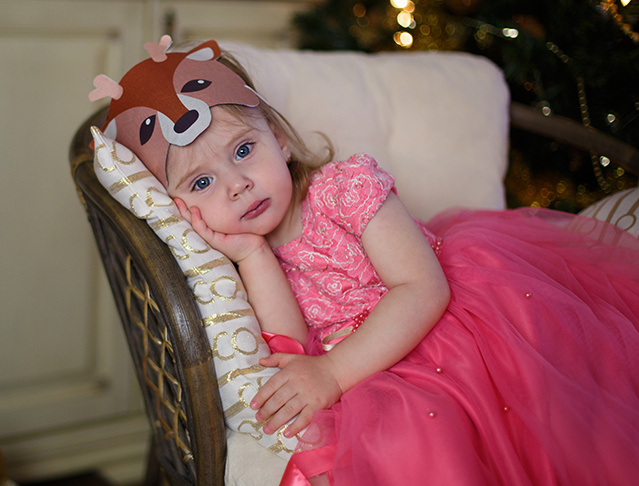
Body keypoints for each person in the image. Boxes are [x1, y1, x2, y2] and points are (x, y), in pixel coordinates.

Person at [92, 37, 639, 485]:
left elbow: (423, 289)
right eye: (202, 183)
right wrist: (252, 254)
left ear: (279, 140)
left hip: (447, 324)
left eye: (243, 151)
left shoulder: (345, 189)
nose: (237, 185)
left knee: (496, 418)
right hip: (374, 370)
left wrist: (332, 372)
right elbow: (291, 345)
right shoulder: (243, 261)